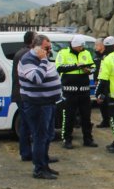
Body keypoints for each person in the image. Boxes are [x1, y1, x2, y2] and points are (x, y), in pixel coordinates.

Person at [18, 34, 63, 179]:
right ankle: (39, 169)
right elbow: (36, 79)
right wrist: (44, 61)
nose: (49, 51)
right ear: (37, 48)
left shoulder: (42, 59)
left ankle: (45, 164)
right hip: (37, 105)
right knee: (39, 137)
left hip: (48, 103)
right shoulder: (28, 60)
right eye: (46, 48)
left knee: (48, 135)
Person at [55, 35, 98, 149]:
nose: (81, 48)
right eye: (80, 46)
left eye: (82, 46)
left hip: (84, 90)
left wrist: (88, 70)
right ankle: (67, 140)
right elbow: (59, 68)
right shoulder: (63, 53)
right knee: (68, 117)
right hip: (69, 91)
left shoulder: (86, 53)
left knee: (86, 116)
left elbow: (93, 67)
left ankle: (88, 139)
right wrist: (76, 66)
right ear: (74, 46)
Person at [12, 31, 36, 162]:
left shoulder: (20, 53)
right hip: (24, 94)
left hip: (20, 93)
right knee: (28, 125)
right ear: (32, 41)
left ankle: (26, 152)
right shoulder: (26, 55)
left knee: (26, 125)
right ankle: (27, 153)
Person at [93, 39, 111, 128]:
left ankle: (107, 121)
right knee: (101, 102)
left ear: (102, 46)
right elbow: (96, 69)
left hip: (105, 81)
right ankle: (105, 120)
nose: (95, 47)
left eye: (96, 45)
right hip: (99, 81)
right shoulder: (97, 55)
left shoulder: (106, 56)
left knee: (104, 100)